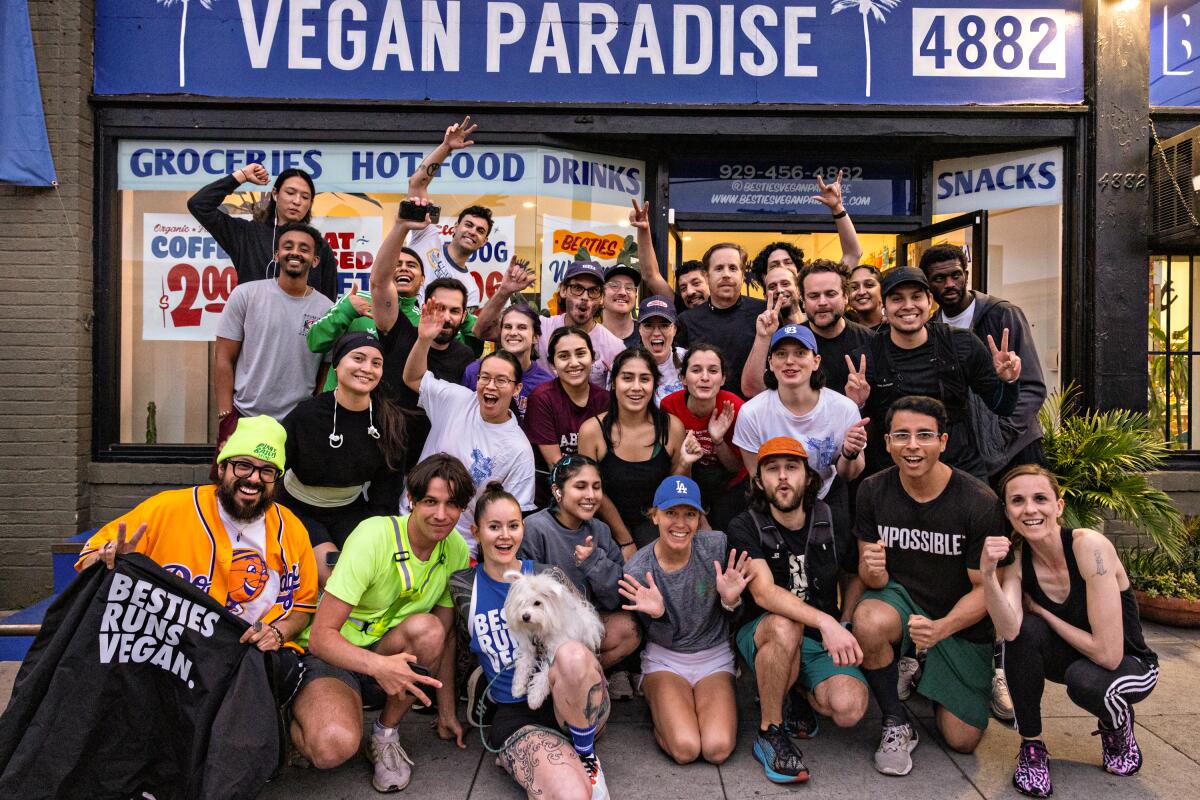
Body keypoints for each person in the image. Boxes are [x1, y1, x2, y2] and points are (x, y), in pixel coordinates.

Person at [289, 454, 471, 792]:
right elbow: (320, 638)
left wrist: (447, 712)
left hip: (386, 654)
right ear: (411, 500)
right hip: (331, 656)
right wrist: (378, 666)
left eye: (453, 504)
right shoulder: (374, 536)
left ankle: (385, 734)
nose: (442, 515)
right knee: (332, 746)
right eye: (430, 501)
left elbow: (444, 637)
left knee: (430, 629)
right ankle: (291, 722)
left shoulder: (455, 549)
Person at [852, 396, 1008, 776]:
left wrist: (940, 630)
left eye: (924, 435)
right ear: (886, 443)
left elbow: (986, 590)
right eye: (902, 436)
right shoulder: (872, 490)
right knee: (868, 619)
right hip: (902, 603)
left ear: (943, 442)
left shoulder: (978, 502)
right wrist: (871, 570)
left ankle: (927, 665)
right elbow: (874, 579)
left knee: (962, 740)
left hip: (957, 616)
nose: (913, 446)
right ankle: (895, 721)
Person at [982, 466, 1158, 797]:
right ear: (1007, 511)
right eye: (1017, 501)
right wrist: (989, 573)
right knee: (1025, 632)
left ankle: (1116, 723)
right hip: (1074, 655)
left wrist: (1045, 612)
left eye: (1040, 499)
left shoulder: (1089, 547)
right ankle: (1031, 749)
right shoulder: (1019, 559)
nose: (1030, 509)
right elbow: (1008, 630)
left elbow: (1109, 655)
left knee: (1086, 680)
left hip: (1130, 666)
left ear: (1059, 506)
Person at [76, 415, 318, 655]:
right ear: (222, 468)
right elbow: (88, 559)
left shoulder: (291, 528)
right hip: (171, 653)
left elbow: (301, 609)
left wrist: (278, 632)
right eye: (243, 465)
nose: (253, 478)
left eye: (267, 471)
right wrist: (110, 561)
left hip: (250, 659)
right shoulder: (167, 510)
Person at [449, 482, 613, 799]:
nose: (504, 535)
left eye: (513, 525)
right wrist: (447, 712)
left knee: (572, 655)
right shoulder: (462, 585)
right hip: (517, 711)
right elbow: (450, 644)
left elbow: (585, 633)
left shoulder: (548, 576)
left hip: (575, 701)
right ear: (476, 531)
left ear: (522, 527)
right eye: (493, 527)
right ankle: (529, 755)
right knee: (573, 797)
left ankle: (586, 754)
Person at [728, 437, 868, 783]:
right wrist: (826, 622)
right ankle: (770, 732)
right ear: (759, 481)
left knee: (850, 708)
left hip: (818, 637)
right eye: (772, 470)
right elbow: (763, 592)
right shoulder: (745, 525)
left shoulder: (831, 518)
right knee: (784, 625)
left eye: (792, 468)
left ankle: (795, 693)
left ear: (808, 476)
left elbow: (853, 573)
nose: (783, 477)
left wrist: (845, 620)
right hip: (763, 631)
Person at [845, 266, 1023, 482]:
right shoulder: (865, 359)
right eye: (897, 299)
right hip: (894, 475)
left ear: (930, 301)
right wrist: (857, 405)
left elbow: (1002, 406)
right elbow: (859, 433)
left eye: (916, 297)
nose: (908, 306)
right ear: (884, 306)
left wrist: (1009, 380)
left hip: (960, 469)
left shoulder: (962, 344)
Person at [619, 476, 751, 766]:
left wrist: (730, 601)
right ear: (654, 515)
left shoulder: (716, 547)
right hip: (666, 660)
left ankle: (687, 708)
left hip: (713, 656)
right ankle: (658, 703)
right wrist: (659, 614)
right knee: (686, 749)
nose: (681, 524)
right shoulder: (639, 569)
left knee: (716, 749)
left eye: (689, 514)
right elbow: (659, 637)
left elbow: (735, 618)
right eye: (671, 513)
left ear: (699, 517)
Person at [402, 298, 536, 555]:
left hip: (460, 550)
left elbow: (513, 515)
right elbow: (413, 378)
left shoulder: (518, 449)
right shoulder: (456, 400)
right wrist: (424, 340)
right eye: (484, 377)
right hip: (408, 526)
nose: (490, 386)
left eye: (501, 380)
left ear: (517, 388)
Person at [277, 333, 408, 586]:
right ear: (337, 364)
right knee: (331, 574)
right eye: (358, 358)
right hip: (298, 508)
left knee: (373, 571)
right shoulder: (308, 414)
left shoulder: (389, 420)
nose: (366, 369)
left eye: (376, 363)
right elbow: (274, 466)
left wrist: (376, 531)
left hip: (350, 509)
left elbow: (388, 487)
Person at [921, 244, 1048, 483]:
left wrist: (1002, 431)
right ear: (928, 285)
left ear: (966, 276)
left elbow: (1032, 386)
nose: (949, 284)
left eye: (955, 275)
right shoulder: (933, 329)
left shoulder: (1002, 314)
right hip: (967, 452)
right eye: (939, 278)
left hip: (1016, 447)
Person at [519, 454, 642, 696]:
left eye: (596, 487)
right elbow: (523, 589)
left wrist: (593, 563)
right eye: (580, 486)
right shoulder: (535, 528)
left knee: (630, 629)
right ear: (557, 491)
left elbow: (616, 599)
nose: (590, 495)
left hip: (584, 626)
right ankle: (553, 678)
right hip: (545, 630)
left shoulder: (600, 530)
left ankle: (585, 676)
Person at [733, 324, 867, 541]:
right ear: (771, 363)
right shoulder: (751, 413)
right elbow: (756, 478)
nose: (789, 361)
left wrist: (850, 453)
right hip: (774, 502)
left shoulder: (843, 408)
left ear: (816, 361)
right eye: (781, 354)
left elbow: (849, 474)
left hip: (826, 496)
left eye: (800, 353)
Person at [213, 222, 333, 454]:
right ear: (277, 255)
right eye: (288, 246)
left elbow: (326, 369)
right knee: (234, 487)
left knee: (286, 489)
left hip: (296, 423)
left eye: (304, 248)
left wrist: (312, 415)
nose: (295, 252)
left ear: (315, 260)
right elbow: (223, 357)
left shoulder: (326, 309)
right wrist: (226, 416)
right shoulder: (246, 295)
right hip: (245, 417)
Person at [579, 349, 704, 553]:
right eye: (627, 378)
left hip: (656, 522)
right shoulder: (591, 431)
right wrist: (625, 541)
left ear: (654, 384)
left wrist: (685, 463)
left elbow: (677, 489)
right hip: (604, 523)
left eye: (644, 379)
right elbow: (592, 493)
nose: (636, 387)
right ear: (613, 383)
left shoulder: (671, 427)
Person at [369, 198, 476, 405]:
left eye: (454, 311)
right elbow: (379, 283)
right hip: (393, 435)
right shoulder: (401, 333)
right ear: (424, 306)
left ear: (464, 316)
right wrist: (401, 227)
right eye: (439, 308)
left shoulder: (465, 355)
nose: (445, 317)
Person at [187, 163, 338, 300]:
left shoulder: (319, 247)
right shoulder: (246, 234)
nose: (297, 201)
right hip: (255, 327)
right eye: (290, 193)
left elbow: (328, 304)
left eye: (305, 197)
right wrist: (242, 175)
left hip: (303, 329)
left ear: (310, 203)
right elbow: (199, 205)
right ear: (275, 194)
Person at [475, 259, 624, 388]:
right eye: (577, 288)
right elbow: (483, 331)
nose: (585, 297)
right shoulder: (540, 327)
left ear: (601, 298)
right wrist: (504, 291)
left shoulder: (614, 347)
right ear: (564, 291)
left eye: (593, 291)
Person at [405, 115, 493, 310]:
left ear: (484, 242)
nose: (472, 232)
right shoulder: (427, 234)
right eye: (468, 225)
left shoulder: (470, 289)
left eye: (480, 230)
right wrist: (446, 148)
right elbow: (417, 183)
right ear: (455, 227)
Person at [660, 344, 747, 532]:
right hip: (687, 476)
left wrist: (718, 440)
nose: (705, 378)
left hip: (728, 484)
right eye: (696, 370)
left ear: (723, 378)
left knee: (729, 530)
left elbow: (736, 468)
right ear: (683, 378)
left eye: (713, 371)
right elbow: (670, 469)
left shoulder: (734, 407)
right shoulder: (669, 406)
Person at [523, 327, 610, 508]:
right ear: (553, 364)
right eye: (563, 356)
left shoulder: (605, 400)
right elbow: (556, 464)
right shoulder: (542, 398)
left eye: (580, 353)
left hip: (597, 494)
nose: (574, 362)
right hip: (551, 500)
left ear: (592, 357)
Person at [674, 242, 765, 398]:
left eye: (733, 268)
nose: (726, 275)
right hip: (705, 412)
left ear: (742, 276)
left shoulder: (763, 314)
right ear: (707, 277)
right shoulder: (687, 321)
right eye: (718, 268)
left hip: (756, 412)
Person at [462, 304, 553, 420]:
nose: (513, 333)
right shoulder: (474, 371)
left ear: (535, 337)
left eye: (522, 327)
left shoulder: (546, 383)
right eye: (508, 327)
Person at [638, 296, 686, 404]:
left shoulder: (688, 360)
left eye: (664, 325)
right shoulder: (626, 363)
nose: (656, 333)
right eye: (648, 325)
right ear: (639, 329)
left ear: (674, 329)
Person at [601, 263, 642, 348]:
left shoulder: (645, 334)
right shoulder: (588, 336)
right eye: (614, 286)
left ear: (636, 296)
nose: (622, 292)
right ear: (601, 294)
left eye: (629, 288)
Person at [847, 264, 885, 331]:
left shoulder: (895, 326)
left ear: (882, 289)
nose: (861, 292)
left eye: (869, 285)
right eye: (854, 287)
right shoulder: (844, 328)